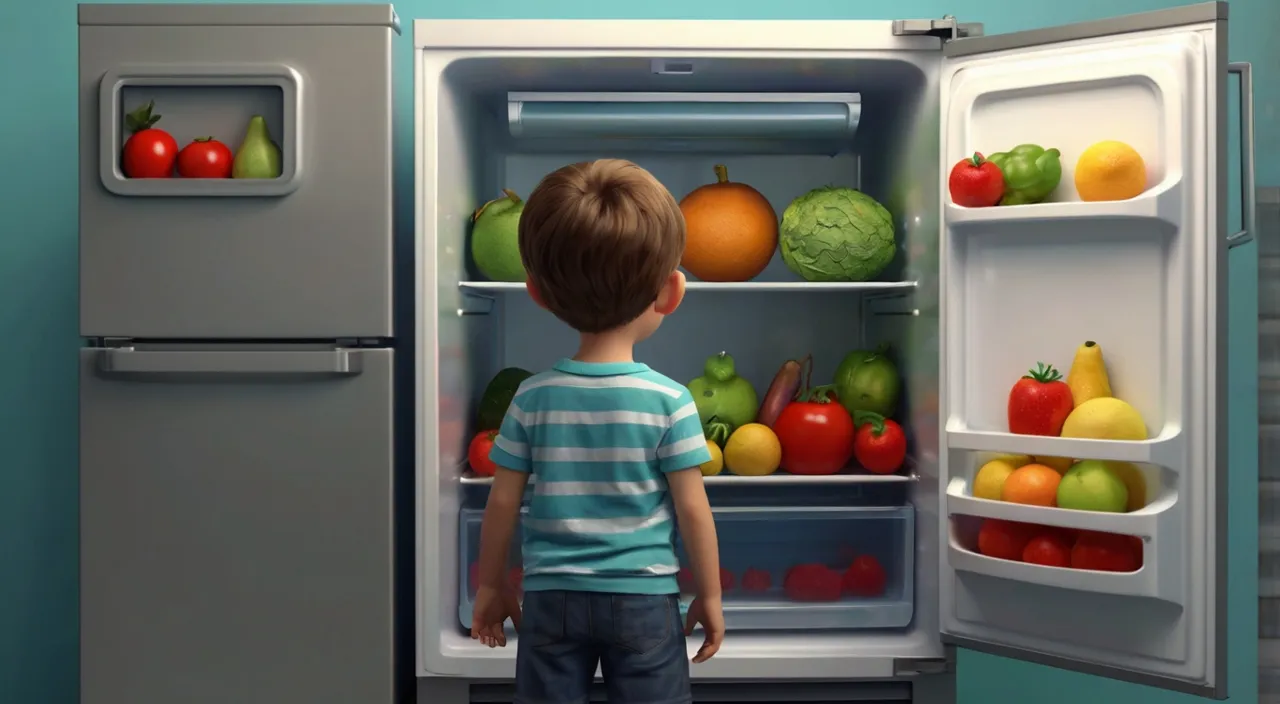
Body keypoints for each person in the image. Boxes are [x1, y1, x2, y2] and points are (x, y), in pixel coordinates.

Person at [470, 159, 724, 704]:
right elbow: (693, 510)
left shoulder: (532, 397)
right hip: (643, 599)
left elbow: (501, 503)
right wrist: (709, 594)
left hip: (550, 597)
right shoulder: (670, 401)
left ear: (535, 291)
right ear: (671, 292)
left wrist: (491, 585)